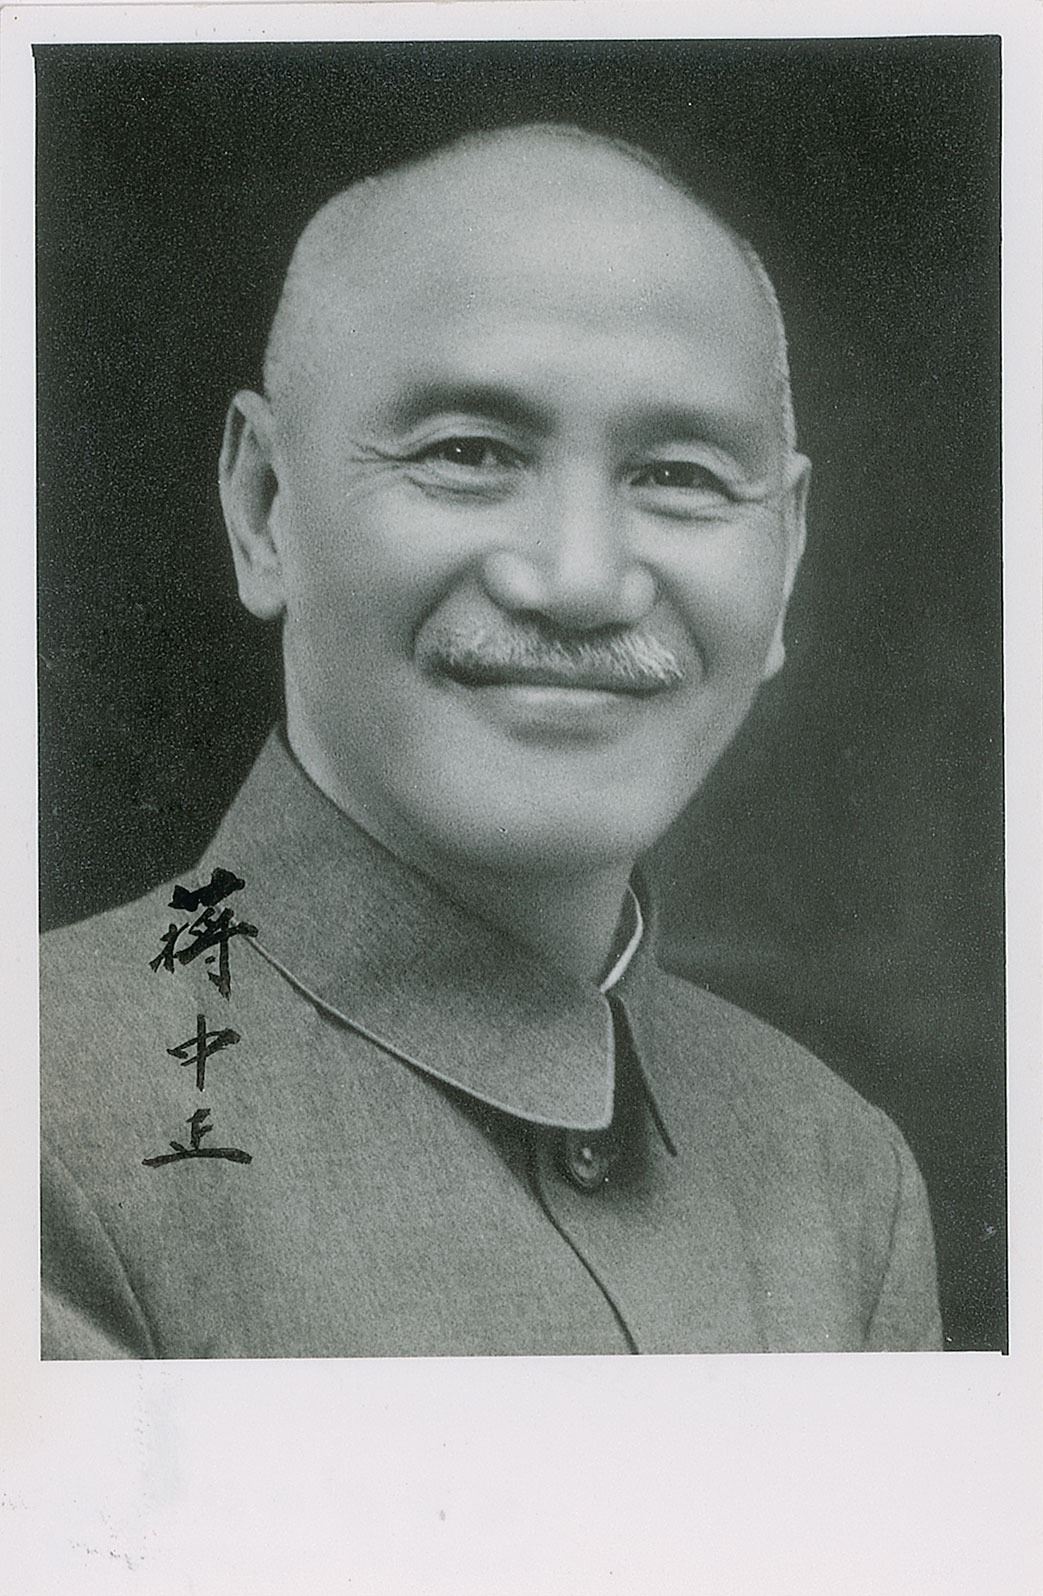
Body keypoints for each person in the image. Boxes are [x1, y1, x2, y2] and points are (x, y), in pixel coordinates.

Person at [40, 123, 942, 1357]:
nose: (578, 582)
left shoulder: (842, 1176)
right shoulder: (47, 1120)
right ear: (262, 509)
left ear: (781, 556)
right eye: (466, 454)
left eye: (679, 476)